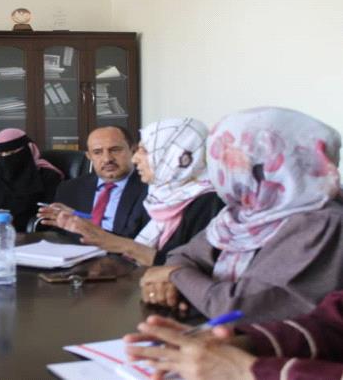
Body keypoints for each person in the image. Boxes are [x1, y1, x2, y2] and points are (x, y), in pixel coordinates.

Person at [140, 107, 343, 322]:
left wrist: (176, 276)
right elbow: (180, 256)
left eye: (230, 157)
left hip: (267, 341)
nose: (224, 168)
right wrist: (176, 283)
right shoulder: (243, 213)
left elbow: (239, 308)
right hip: (211, 334)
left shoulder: (322, 222)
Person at [42, 118, 224, 266]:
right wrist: (80, 223)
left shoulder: (208, 202)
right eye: (98, 152)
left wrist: (117, 243)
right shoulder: (162, 196)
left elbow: (187, 266)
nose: (136, 159)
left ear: (175, 156)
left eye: (144, 151)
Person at [125, 289, 343, 379]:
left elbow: (233, 302)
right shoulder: (228, 219)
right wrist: (245, 344)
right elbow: (332, 324)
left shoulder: (320, 222)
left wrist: (247, 371)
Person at [39, 125, 150, 239]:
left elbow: (141, 241)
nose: (107, 159)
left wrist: (85, 227)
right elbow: (59, 235)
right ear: (89, 156)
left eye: (115, 150)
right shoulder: (69, 188)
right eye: (97, 152)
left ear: (133, 150)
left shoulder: (151, 189)